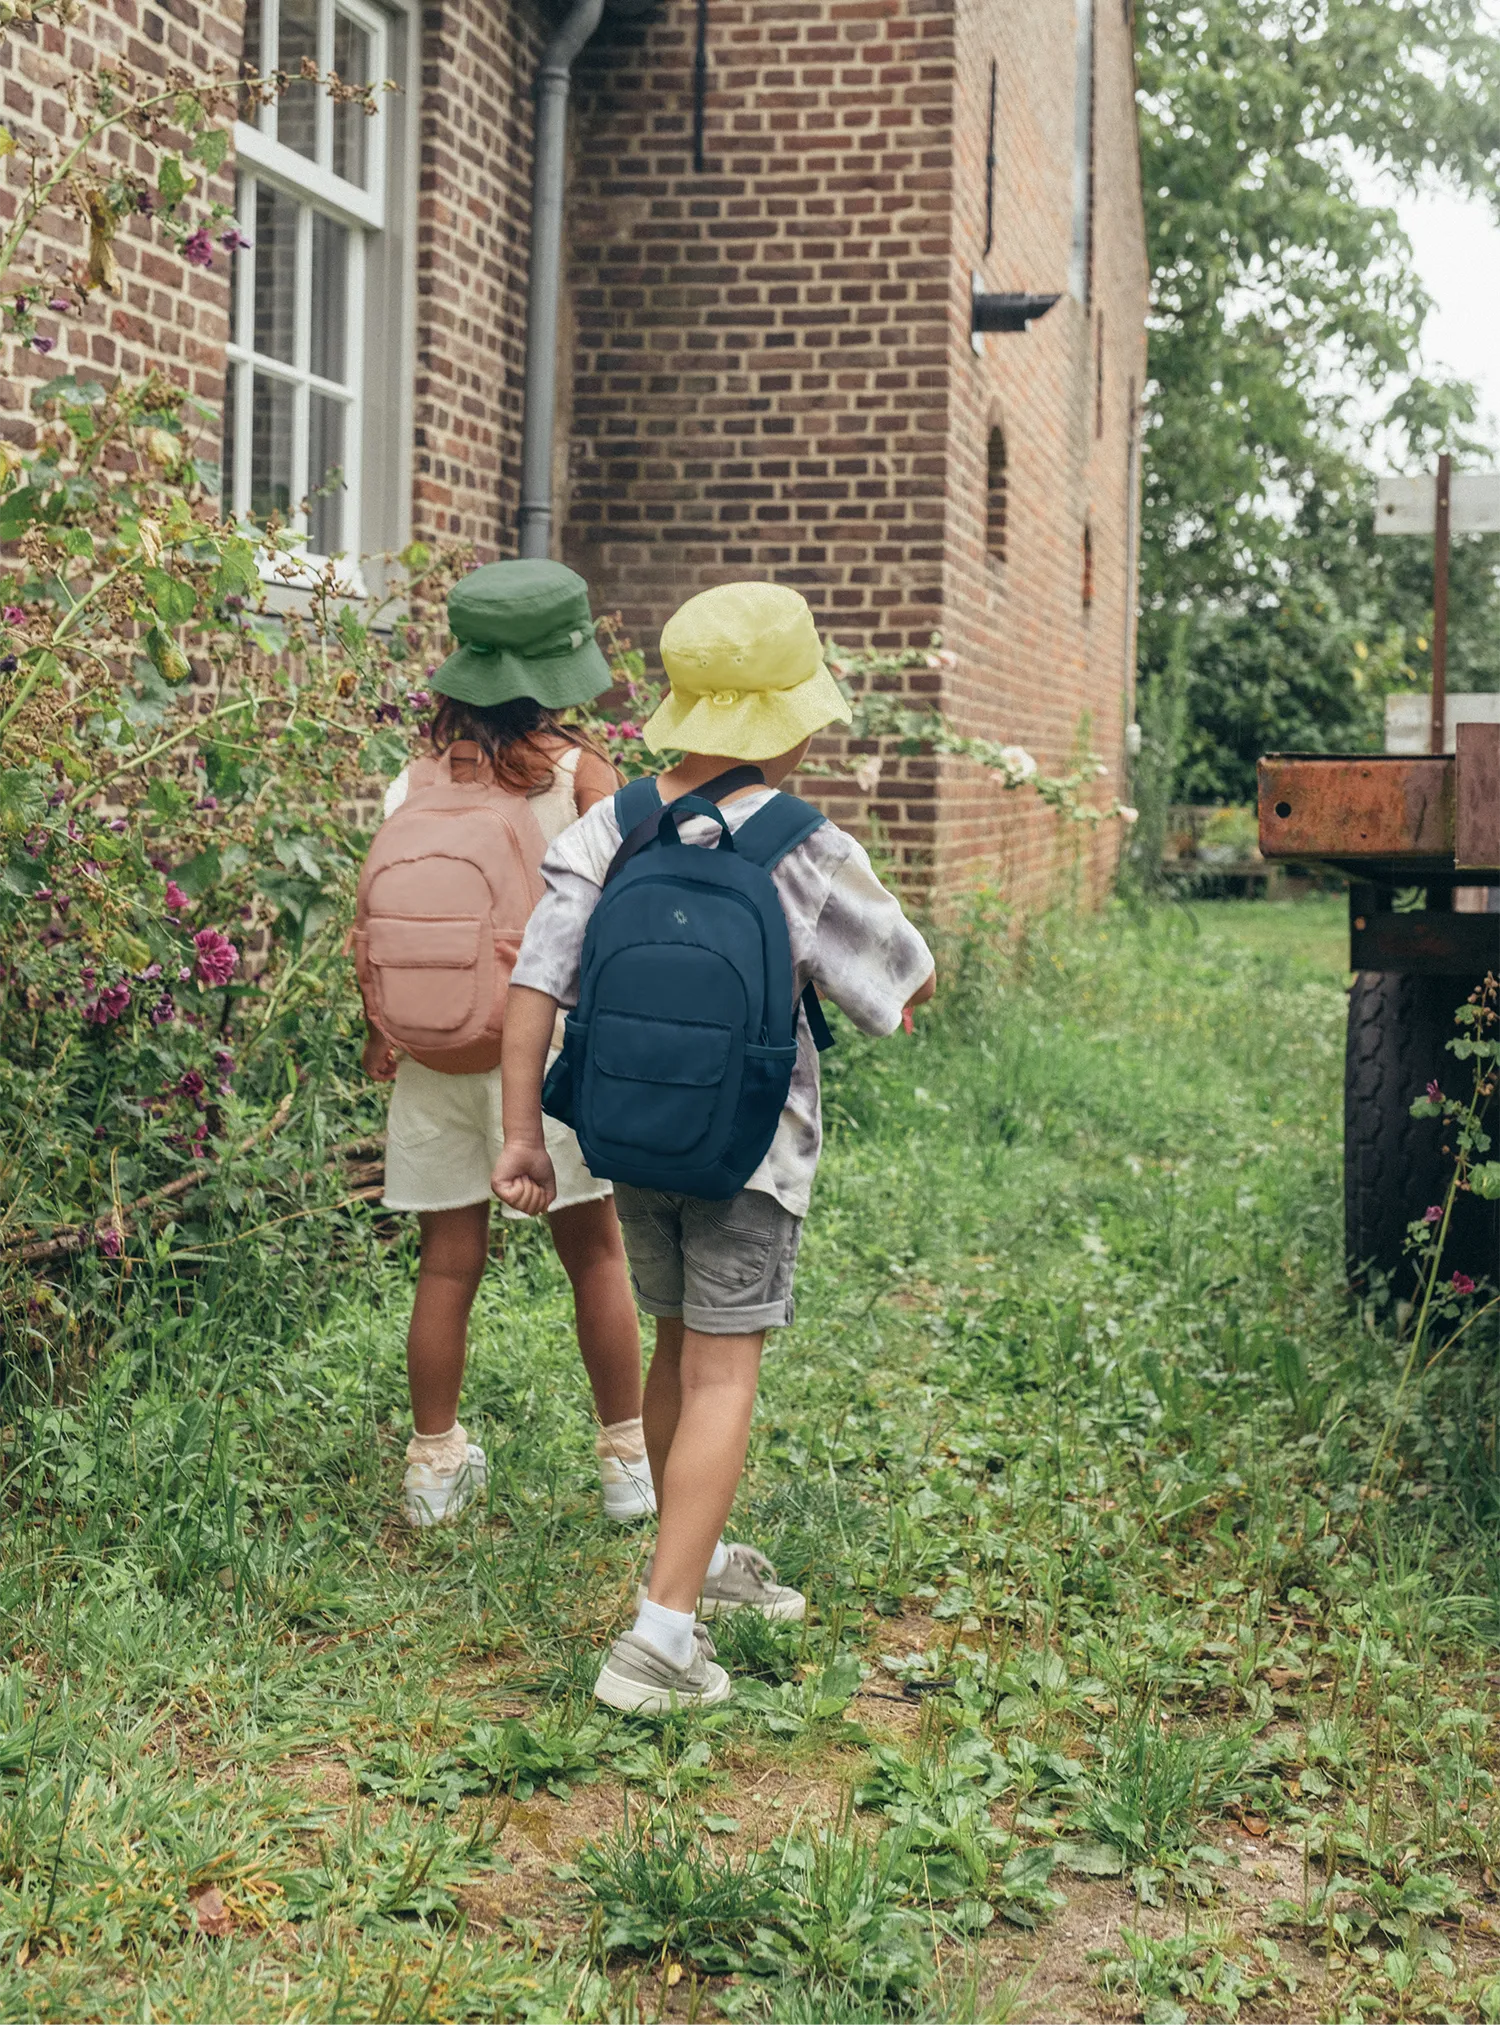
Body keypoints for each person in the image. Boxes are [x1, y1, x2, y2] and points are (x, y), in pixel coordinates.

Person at [492, 580, 936, 1711]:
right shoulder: (807, 848)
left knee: (681, 1346)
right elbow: (905, 990)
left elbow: (537, 983)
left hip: (629, 1141)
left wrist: (522, 1140)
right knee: (727, 1370)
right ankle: (659, 1639)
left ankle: (696, 1557)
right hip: (751, 1155)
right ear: (789, 720)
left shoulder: (611, 823)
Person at [361, 560, 654, 1530]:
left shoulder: (409, 782)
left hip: (439, 1049)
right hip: (552, 1054)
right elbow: (627, 922)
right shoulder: (584, 778)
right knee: (596, 1255)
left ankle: (433, 1467)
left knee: (448, 1263)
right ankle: (626, 1462)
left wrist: (382, 1033)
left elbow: (384, 920)